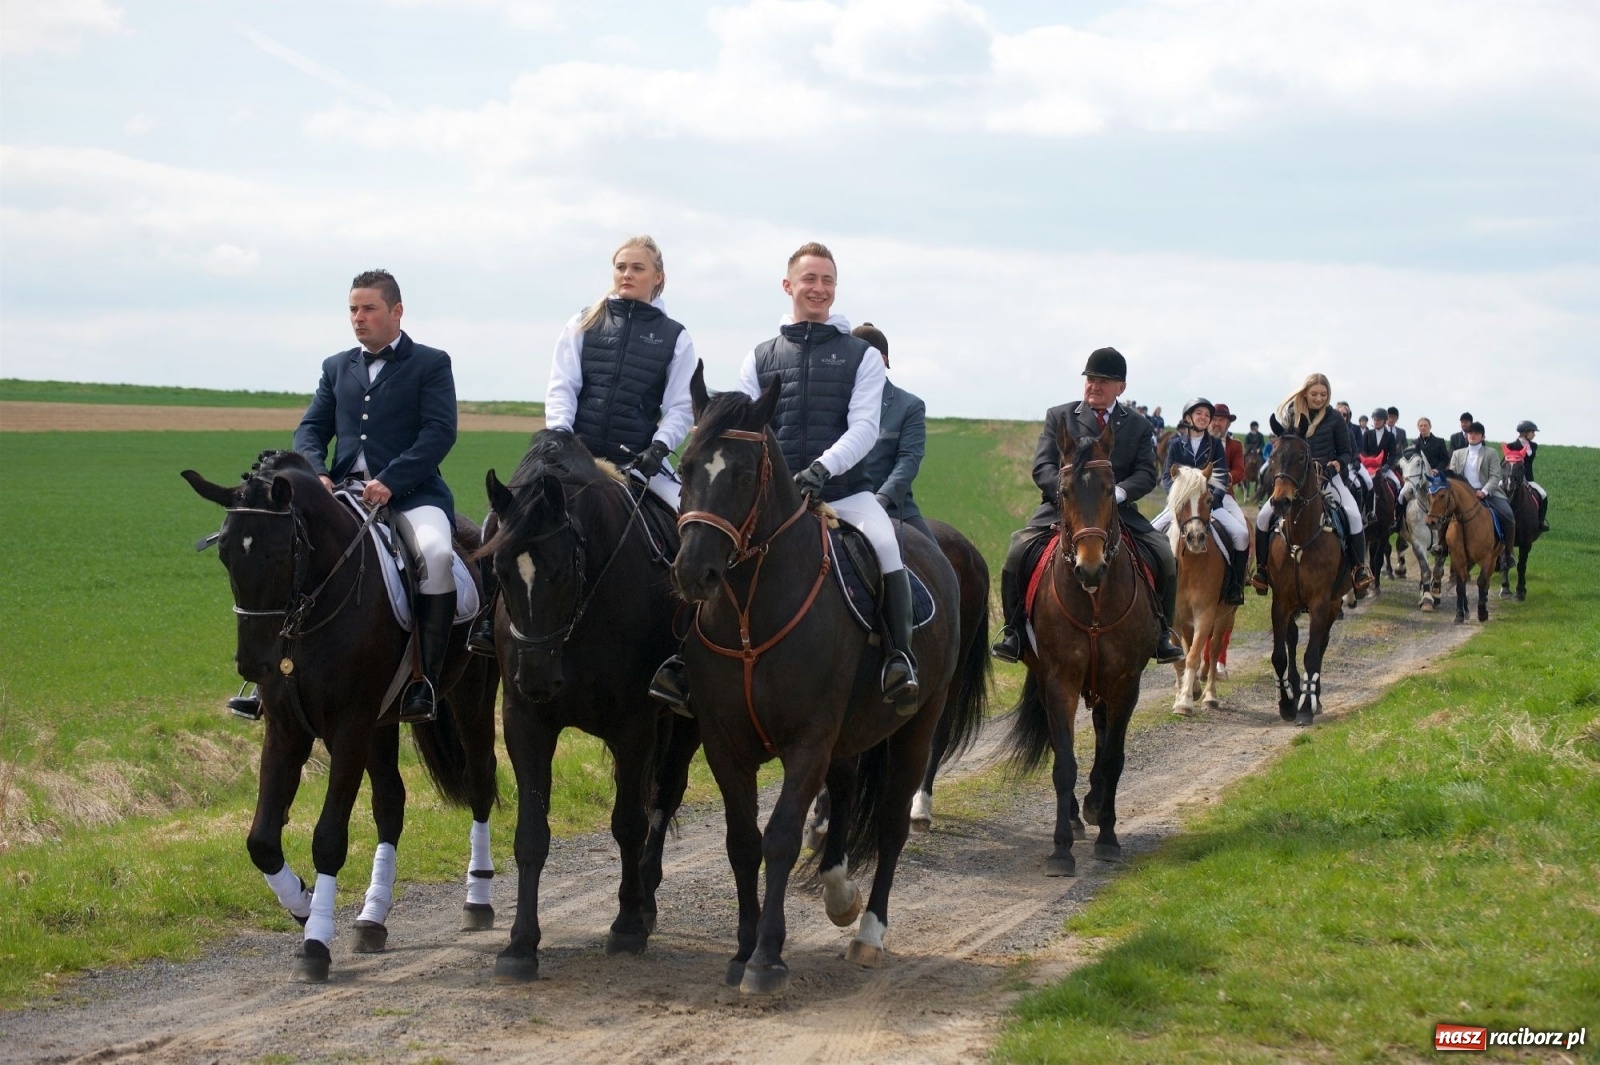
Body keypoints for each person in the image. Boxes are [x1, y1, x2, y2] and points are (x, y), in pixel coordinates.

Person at [650, 242, 918, 713]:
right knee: (701, 545)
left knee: (886, 544)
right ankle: (680, 661)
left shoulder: (862, 357)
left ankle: (899, 659)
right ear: (788, 284)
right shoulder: (760, 357)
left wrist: (822, 468)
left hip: (841, 493)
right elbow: (744, 425)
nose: (819, 288)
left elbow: (864, 427)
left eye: (827, 280)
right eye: (810, 279)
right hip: (770, 499)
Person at [470, 235, 697, 655]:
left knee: (690, 529)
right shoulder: (583, 322)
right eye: (621, 267)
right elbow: (562, 389)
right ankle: (488, 621)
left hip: (638, 465)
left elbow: (681, 407)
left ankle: (685, 651)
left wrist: (659, 448)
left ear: (658, 277)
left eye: (637, 268)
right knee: (497, 527)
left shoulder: (676, 337)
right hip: (576, 459)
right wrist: (561, 441)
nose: (626, 275)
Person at [290, 269, 460, 724]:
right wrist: (318, 474)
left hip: (412, 495)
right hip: (343, 493)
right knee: (286, 553)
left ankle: (425, 679)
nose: (358, 318)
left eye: (368, 309)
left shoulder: (431, 363)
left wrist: (391, 479)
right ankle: (272, 678)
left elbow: (439, 433)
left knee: (438, 555)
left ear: (396, 311)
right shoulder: (335, 366)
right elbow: (310, 429)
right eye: (352, 310)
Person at [991, 347, 1184, 665]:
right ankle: (1013, 632)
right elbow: (1042, 467)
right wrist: (1068, 494)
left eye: (1103, 381)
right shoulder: (1060, 416)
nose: (1094, 385)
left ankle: (1162, 633)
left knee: (1163, 553)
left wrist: (1120, 493)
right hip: (1063, 506)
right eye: (1090, 379)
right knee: (1016, 551)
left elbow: (1147, 473)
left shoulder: (1137, 425)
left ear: (1120, 387)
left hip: (1115, 510)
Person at [1249, 372, 1373, 596]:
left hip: (1327, 479)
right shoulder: (1292, 414)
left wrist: (1336, 464)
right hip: (1295, 480)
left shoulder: (1335, 418)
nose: (1319, 398)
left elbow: (1347, 451)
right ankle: (1262, 571)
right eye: (1314, 394)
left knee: (1353, 515)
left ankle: (1358, 570)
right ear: (1305, 392)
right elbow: (1286, 445)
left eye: (1323, 394)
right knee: (1263, 517)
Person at [1154, 398, 1250, 604]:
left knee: (1241, 535)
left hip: (1208, 503)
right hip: (1182, 505)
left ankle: (1234, 586)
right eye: (1199, 413)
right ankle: (1154, 586)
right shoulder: (1175, 445)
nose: (1204, 418)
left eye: (1207, 415)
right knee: (1152, 532)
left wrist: (1213, 499)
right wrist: (1177, 499)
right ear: (1188, 417)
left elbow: (1222, 476)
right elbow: (1166, 477)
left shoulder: (1215, 445)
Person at [851, 322, 933, 542]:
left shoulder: (909, 405)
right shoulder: (836, 403)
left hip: (893, 509)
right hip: (842, 505)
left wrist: (882, 498)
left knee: (937, 564)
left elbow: (909, 459)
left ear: (883, 359)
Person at [1448, 422, 1516, 547]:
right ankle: (1441, 546)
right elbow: (1452, 476)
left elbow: (1496, 476)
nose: (1472, 436)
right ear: (1466, 435)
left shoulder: (1491, 453)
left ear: (1483, 437)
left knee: (1508, 515)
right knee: (1441, 513)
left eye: (1476, 433)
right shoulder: (1457, 454)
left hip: (1488, 492)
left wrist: (1484, 491)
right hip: (1463, 493)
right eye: (1470, 433)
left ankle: (1508, 552)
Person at [1514, 420, 1550, 530]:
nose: (1534, 434)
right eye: (1532, 432)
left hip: (1529, 479)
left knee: (1543, 495)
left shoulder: (1533, 446)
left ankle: (1540, 521)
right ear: (1525, 432)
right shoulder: (1512, 445)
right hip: (1514, 479)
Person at [1211, 403, 1248, 495]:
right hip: (1197, 492)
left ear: (1228, 424)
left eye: (1222, 420)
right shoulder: (1199, 441)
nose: (1217, 423)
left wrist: (1225, 478)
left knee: (1236, 511)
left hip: (1225, 492)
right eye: (1214, 419)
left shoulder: (1235, 445)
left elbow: (1239, 471)